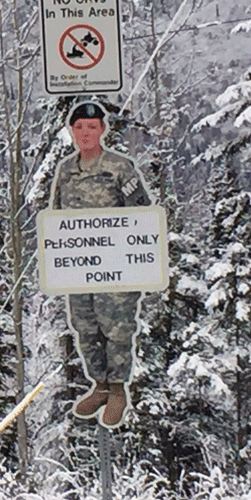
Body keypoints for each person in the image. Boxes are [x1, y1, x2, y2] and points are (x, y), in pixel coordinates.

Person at [50, 101, 152, 428]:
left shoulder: (120, 168)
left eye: (91, 127)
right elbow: (56, 218)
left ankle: (119, 389)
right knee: (86, 327)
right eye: (79, 127)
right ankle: (100, 385)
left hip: (117, 266)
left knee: (117, 327)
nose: (85, 133)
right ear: (71, 131)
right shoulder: (66, 170)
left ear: (102, 131)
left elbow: (142, 214)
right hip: (80, 267)